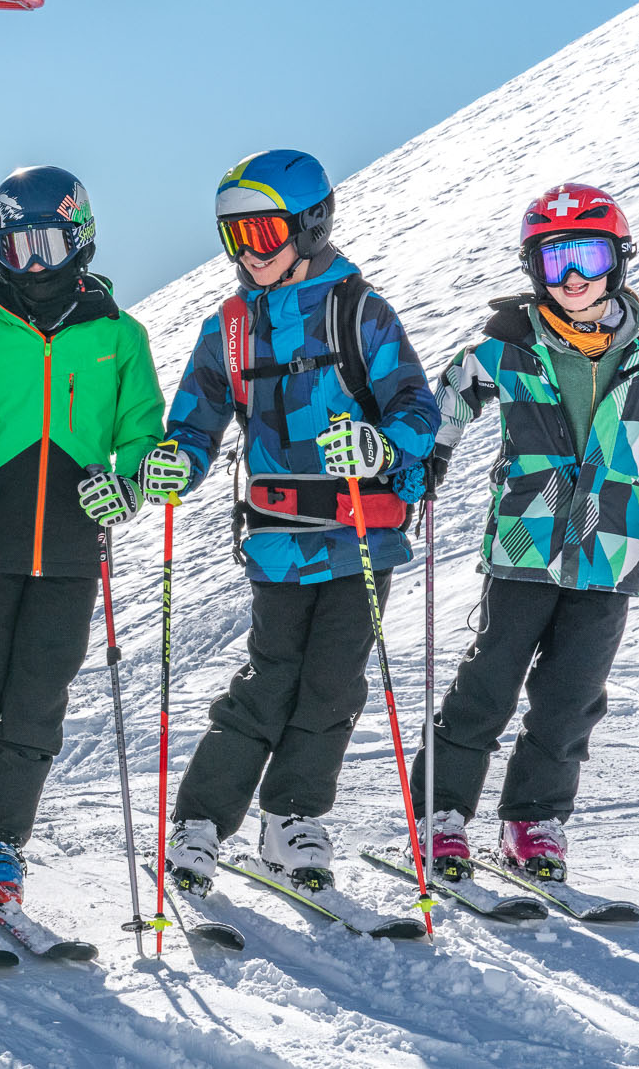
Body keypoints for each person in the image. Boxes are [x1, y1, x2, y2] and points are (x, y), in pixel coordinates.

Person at [143, 150, 438, 891]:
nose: (250, 251)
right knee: (271, 681)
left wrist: (383, 444)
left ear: (309, 226)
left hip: (359, 536)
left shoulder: (358, 310)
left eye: (265, 231)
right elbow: (198, 417)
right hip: (279, 539)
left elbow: (416, 407)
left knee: (334, 685)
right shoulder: (233, 328)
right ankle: (202, 821)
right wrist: (179, 458)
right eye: (235, 236)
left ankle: (293, 817)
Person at [0, 165, 165, 913]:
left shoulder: (120, 337)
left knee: (39, 698)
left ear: (80, 239)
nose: (34, 264)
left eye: (47, 244)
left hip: (76, 546)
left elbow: (143, 433)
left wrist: (133, 482)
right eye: (16, 247)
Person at [410, 183, 639, 883]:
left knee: (571, 697)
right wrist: (430, 457)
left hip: (611, 546)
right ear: (534, 267)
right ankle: (440, 815)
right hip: (526, 540)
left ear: (617, 262)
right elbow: (446, 399)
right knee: (489, 684)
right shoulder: (506, 346)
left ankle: (533, 822)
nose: (572, 279)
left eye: (588, 258)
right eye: (555, 260)